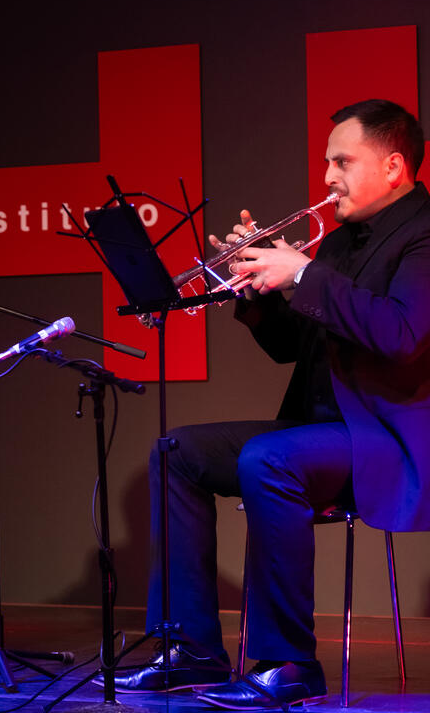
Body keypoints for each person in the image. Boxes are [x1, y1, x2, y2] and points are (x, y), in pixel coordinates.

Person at [109, 99, 429, 709]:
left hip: (387, 439)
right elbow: (291, 348)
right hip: (318, 432)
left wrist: (304, 275)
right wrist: (257, 289)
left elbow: (402, 334)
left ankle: (288, 662)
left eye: (342, 161)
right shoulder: (336, 245)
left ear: (392, 166)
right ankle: (193, 649)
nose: (328, 177)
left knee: (268, 459)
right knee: (177, 451)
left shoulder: (424, 234)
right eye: (326, 162)